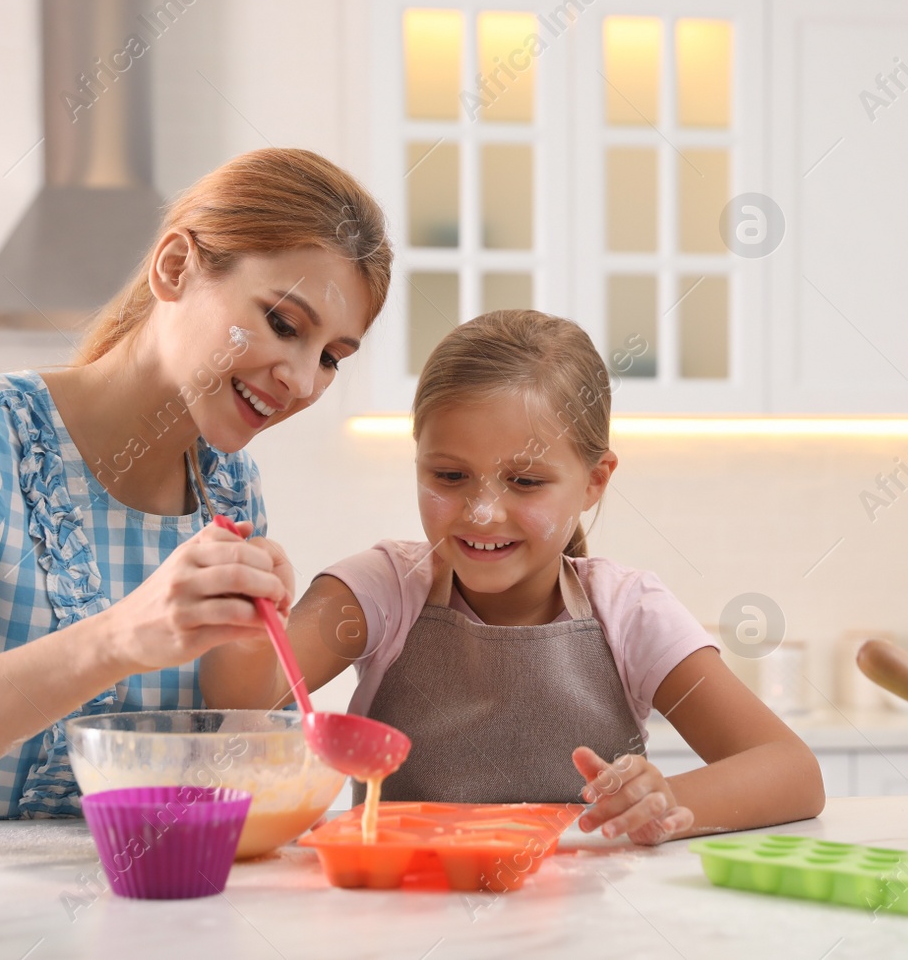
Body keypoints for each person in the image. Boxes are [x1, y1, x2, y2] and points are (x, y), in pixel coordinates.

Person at [0, 148, 392, 824]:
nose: (302, 379)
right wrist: (117, 636)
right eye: (283, 323)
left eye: (331, 356)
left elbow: (205, 759)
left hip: (74, 910)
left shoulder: (230, 488)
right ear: (175, 266)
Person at [285, 310, 824, 845]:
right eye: (450, 476)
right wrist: (225, 609)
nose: (482, 513)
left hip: (586, 922)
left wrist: (665, 800)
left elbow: (794, 772)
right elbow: (235, 697)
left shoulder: (629, 612)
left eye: (524, 481)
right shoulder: (383, 589)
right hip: (407, 912)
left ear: (594, 482)